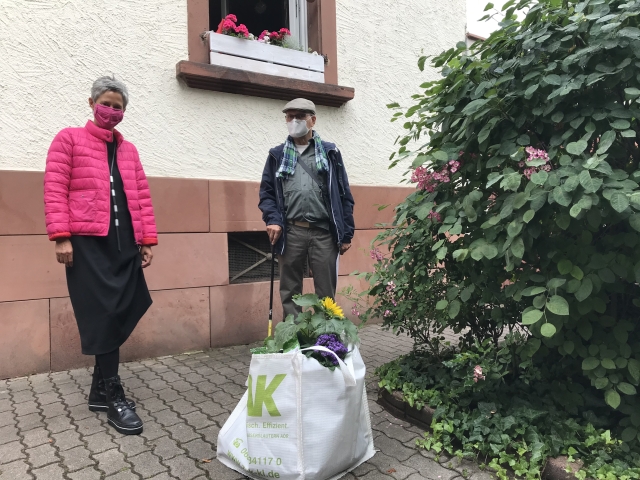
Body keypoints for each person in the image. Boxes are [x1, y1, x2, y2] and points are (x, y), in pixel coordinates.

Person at [44, 76, 157, 436]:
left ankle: (98, 388)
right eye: (106, 103)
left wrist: (147, 239)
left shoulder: (129, 150)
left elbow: (141, 195)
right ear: (91, 102)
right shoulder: (68, 139)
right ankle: (113, 394)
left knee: (127, 305)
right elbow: (55, 188)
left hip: (125, 243)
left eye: (118, 106)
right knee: (104, 313)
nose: (111, 111)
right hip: (87, 243)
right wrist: (61, 238)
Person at [259, 98, 355, 318]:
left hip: (324, 233)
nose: (294, 121)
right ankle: (293, 339)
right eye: (289, 116)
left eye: (299, 116)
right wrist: (272, 219)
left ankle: (326, 341)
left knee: (326, 293)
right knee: (290, 290)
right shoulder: (277, 155)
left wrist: (346, 233)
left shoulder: (330, 153)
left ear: (312, 120)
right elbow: (267, 193)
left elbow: (344, 194)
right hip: (291, 231)